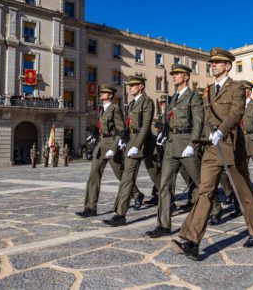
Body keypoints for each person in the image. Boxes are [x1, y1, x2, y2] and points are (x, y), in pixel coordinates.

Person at [172, 48, 253, 261]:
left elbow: (236, 112)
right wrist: (201, 140)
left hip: (231, 146)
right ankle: (192, 241)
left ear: (228, 66)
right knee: (205, 191)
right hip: (212, 148)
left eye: (217, 62)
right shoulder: (207, 91)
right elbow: (205, 118)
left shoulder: (237, 87)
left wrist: (222, 131)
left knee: (243, 191)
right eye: (211, 62)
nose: (212, 65)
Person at [146, 64, 204, 238]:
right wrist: (163, 134)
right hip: (171, 145)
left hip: (186, 143)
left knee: (200, 183)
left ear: (186, 76)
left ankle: (214, 209)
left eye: (177, 74)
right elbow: (168, 121)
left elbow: (198, 122)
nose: (174, 76)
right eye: (173, 74)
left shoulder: (193, 97)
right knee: (164, 185)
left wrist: (192, 144)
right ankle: (163, 225)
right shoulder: (171, 99)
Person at [76, 85, 143, 218]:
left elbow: (120, 129)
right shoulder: (102, 109)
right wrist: (94, 133)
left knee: (120, 175)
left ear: (110, 95)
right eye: (101, 92)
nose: (101, 94)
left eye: (104, 93)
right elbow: (102, 127)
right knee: (93, 175)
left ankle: (137, 194)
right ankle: (90, 207)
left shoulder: (115, 108)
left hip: (111, 145)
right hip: (101, 145)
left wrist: (114, 147)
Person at [104, 75, 159, 226]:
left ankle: (168, 200)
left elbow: (146, 125)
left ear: (141, 86)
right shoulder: (133, 103)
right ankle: (120, 214)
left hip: (145, 144)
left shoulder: (147, 101)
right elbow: (129, 125)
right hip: (132, 143)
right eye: (129, 86)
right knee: (127, 178)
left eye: (133, 86)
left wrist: (137, 145)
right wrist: (123, 140)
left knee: (157, 177)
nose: (130, 88)